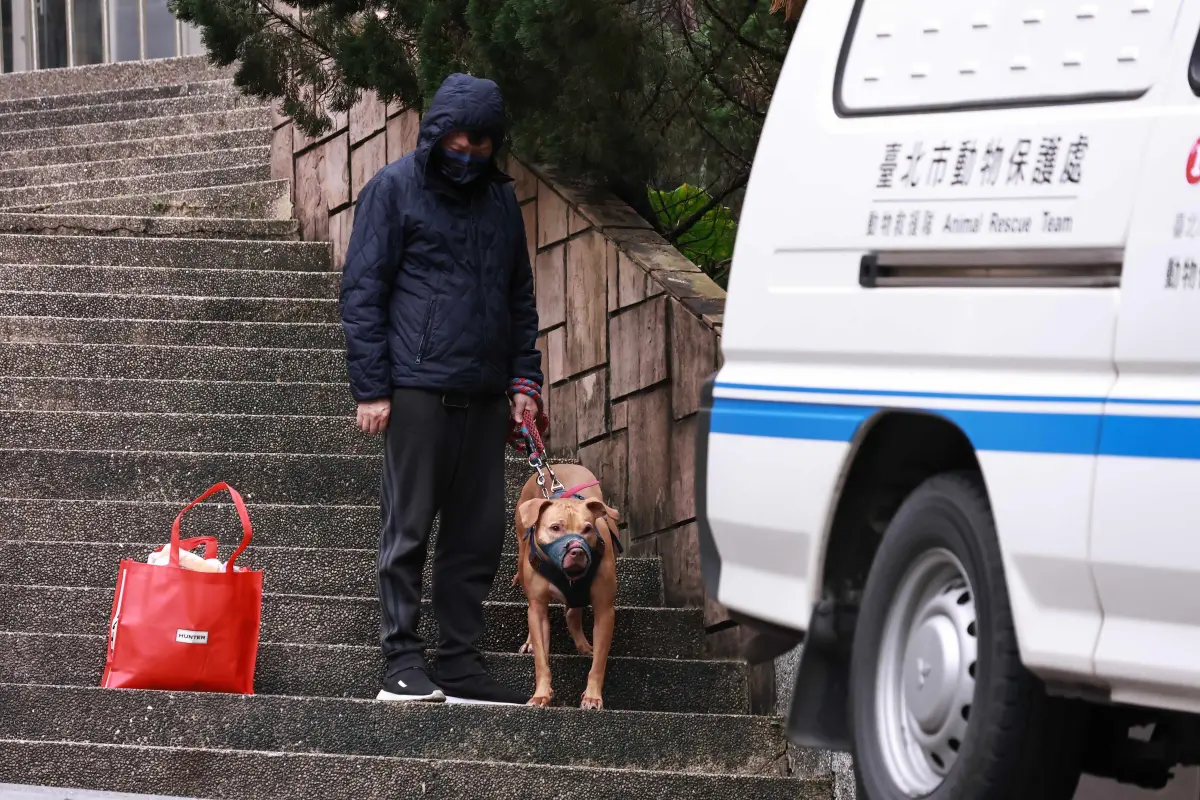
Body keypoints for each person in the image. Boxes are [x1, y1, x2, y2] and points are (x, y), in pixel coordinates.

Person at [340, 73, 542, 705]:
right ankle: (401, 660)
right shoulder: (394, 190)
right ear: (436, 134)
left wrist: (525, 379)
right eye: (459, 137)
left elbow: (519, 299)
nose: (469, 150)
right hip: (417, 389)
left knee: (476, 535)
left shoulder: (501, 202)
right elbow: (362, 292)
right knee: (407, 530)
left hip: (485, 394)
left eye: (481, 141)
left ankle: (458, 661)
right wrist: (372, 389)